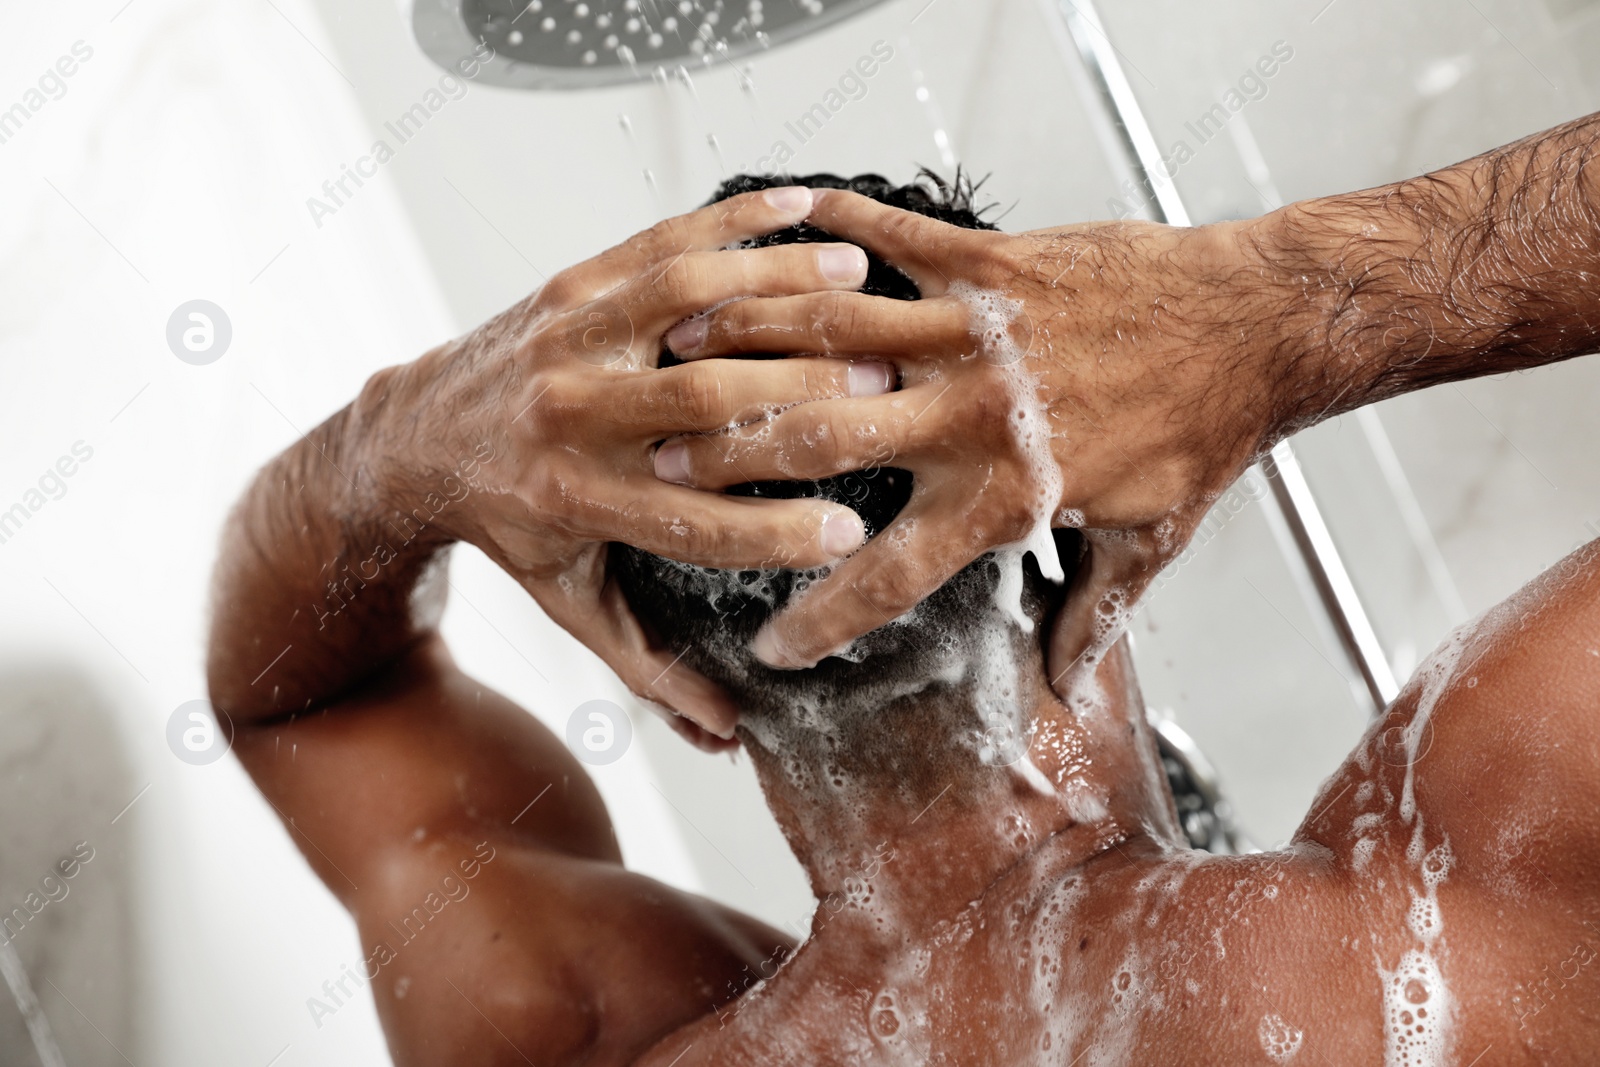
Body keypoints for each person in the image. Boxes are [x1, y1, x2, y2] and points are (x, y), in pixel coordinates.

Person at [208, 112, 1600, 1065]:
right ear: (1093, 560)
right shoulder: (1467, 911)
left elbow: (301, 705)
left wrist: (402, 439)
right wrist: (1274, 315)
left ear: (670, 673)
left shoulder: (574, 1025)